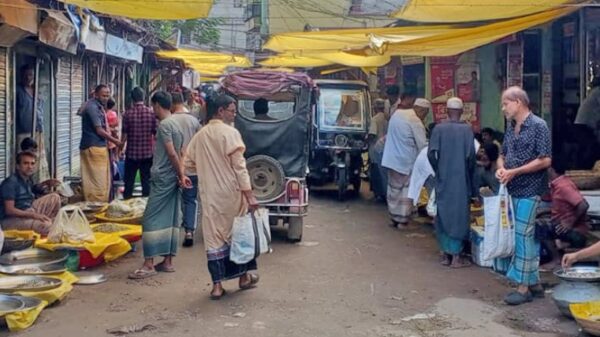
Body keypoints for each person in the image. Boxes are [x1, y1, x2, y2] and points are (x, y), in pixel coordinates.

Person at [184, 94, 260, 300]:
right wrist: (250, 195)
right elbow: (240, 167)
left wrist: (199, 171)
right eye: (232, 111)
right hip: (232, 194)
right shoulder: (231, 133)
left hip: (209, 195)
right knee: (238, 235)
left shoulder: (200, 136)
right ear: (220, 111)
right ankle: (243, 278)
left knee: (213, 239)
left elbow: (188, 163)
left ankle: (217, 287)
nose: (234, 114)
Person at [496, 86, 552, 305]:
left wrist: (514, 171)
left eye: (505, 103)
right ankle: (535, 283)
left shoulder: (539, 125)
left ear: (518, 101)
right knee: (524, 234)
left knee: (522, 233)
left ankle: (523, 287)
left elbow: (545, 160)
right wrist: (501, 168)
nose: (503, 108)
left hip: (531, 188)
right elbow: (503, 154)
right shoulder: (511, 126)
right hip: (513, 188)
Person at [129, 91, 192, 280]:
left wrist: (181, 175)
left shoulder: (164, 125)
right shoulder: (176, 123)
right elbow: (181, 152)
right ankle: (167, 261)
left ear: (157, 105)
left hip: (163, 178)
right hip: (172, 178)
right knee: (171, 217)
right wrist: (181, 175)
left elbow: (172, 153)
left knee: (150, 219)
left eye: (153, 106)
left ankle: (149, 264)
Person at [428, 97, 477, 268]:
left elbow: (431, 154)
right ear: (461, 111)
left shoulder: (439, 129)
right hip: (461, 180)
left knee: (442, 213)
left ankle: (445, 255)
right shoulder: (467, 130)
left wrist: (439, 168)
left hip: (443, 177)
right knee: (459, 216)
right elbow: (471, 156)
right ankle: (456, 257)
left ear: (447, 111)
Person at [381, 95, 428, 228]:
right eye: (425, 114)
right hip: (405, 161)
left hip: (391, 159)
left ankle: (394, 216)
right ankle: (402, 219)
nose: (424, 117)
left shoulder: (397, 114)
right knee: (405, 191)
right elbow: (422, 145)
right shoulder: (415, 120)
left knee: (393, 189)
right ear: (422, 110)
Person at [537, 162, 589, 270]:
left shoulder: (563, 186)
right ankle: (559, 247)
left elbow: (583, 205)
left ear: (551, 169)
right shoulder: (556, 184)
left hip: (577, 233)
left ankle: (556, 260)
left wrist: (570, 222)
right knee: (543, 221)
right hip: (564, 229)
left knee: (540, 226)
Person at [0, 151, 61, 235]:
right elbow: (9, 210)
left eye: (32, 164)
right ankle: (46, 226)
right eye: (26, 163)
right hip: (10, 219)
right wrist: (34, 215)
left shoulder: (26, 179)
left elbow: (32, 190)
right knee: (46, 226)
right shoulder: (10, 183)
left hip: (28, 210)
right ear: (18, 166)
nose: (30, 167)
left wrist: (46, 183)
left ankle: (49, 221)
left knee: (55, 197)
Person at [80, 85, 121, 202]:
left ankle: (100, 204)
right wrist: (116, 141)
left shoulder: (97, 106)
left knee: (102, 181)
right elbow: (99, 130)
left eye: (108, 95)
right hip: (93, 147)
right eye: (103, 95)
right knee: (97, 182)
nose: (106, 98)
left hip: (99, 146)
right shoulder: (92, 107)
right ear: (96, 94)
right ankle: (95, 205)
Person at [171, 92, 201, 247]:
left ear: (172, 103)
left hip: (171, 167)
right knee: (190, 199)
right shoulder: (194, 121)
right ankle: (189, 231)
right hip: (191, 168)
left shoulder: (168, 121)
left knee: (170, 200)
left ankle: (170, 235)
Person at [121, 87, 157, 199]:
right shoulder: (151, 114)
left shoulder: (127, 114)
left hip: (131, 155)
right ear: (144, 97)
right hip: (147, 155)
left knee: (129, 184)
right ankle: (145, 208)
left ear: (132, 99)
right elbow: (156, 135)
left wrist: (120, 149)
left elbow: (124, 135)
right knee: (146, 183)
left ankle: (127, 207)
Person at [16, 64, 49, 182]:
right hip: (23, 131)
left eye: (30, 75)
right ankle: (26, 185)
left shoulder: (36, 90)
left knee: (38, 159)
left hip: (37, 129)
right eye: (25, 75)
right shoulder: (18, 90)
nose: (28, 77)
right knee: (24, 160)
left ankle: (39, 184)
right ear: (21, 76)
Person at [368, 99, 390, 200]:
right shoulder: (387, 118)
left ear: (375, 107)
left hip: (376, 149)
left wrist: (366, 139)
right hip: (387, 149)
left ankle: (379, 194)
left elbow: (372, 134)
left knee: (376, 171)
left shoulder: (375, 119)